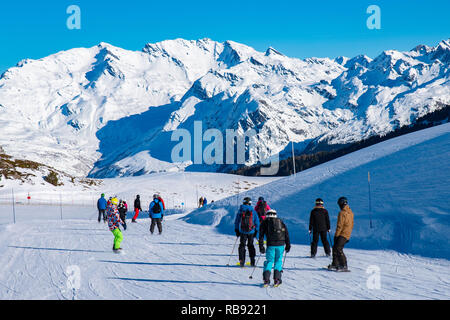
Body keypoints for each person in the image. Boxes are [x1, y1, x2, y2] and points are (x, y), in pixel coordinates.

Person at [259, 209, 291, 286]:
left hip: (271, 245)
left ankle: (266, 279)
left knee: (269, 261)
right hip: (281, 245)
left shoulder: (265, 223)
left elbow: (261, 236)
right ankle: (277, 279)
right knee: (278, 261)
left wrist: (261, 246)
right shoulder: (281, 222)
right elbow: (286, 234)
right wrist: (288, 245)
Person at [328, 197, 354, 271]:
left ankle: (344, 265)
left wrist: (336, 236)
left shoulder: (342, 213)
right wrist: (348, 235)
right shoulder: (351, 212)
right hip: (347, 234)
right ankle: (335, 263)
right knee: (335, 247)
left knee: (338, 248)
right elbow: (352, 224)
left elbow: (340, 226)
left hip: (342, 234)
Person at [234, 197, 260, 267]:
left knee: (242, 245)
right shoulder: (253, 211)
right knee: (250, 245)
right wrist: (256, 230)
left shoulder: (241, 210)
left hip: (243, 231)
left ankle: (242, 260)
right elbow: (257, 222)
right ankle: (252, 260)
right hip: (251, 231)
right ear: (250, 203)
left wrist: (237, 230)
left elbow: (237, 221)